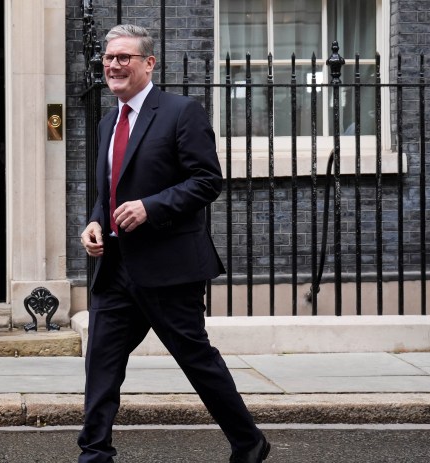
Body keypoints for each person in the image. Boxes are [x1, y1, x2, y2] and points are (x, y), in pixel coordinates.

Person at [78, 24, 270, 463]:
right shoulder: (109, 121)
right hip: (117, 267)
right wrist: (93, 223)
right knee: (101, 364)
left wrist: (151, 207)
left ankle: (249, 442)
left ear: (149, 63)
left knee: (196, 360)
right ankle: (94, 453)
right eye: (108, 58)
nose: (113, 65)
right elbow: (108, 191)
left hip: (168, 266)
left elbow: (207, 181)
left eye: (124, 57)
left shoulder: (181, 112)